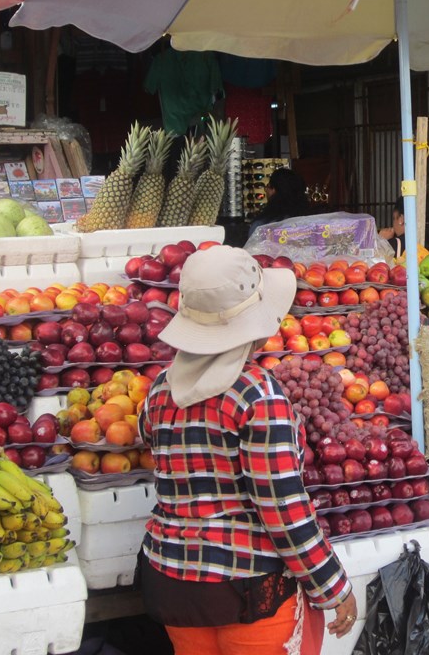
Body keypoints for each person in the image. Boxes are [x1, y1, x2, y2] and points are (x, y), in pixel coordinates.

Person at [136, 246, 357, 655]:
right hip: (248, 588)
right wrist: (334, 586)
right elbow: (283, 508)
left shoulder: (161, 388)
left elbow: (148, 438)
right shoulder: (258, 396)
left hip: (174, 583)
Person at [247, 168, 310, 236]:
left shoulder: (260, 226)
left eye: (268, 186)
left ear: (274, 190)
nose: (265, 190)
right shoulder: (310, 222)